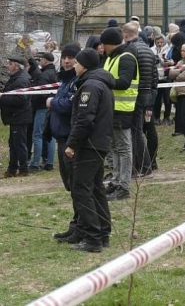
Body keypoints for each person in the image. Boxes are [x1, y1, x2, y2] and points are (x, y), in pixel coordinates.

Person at [61, 48, 114, 253]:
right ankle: (102, 232)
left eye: (76, 63)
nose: (74, 66)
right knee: (96, 188)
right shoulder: (99, 83)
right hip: (98, 143)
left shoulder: (90, 86)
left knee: (81, 189)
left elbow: (85, 119)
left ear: (84, 65)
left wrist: (72, 144)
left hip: (89, 145)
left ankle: (93, 238)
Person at [47, 43, 81, 239]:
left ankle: (80, 225)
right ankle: (76, 223)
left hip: (71, 139)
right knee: (70, 184)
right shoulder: (65, 80)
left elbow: (69, 105)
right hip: (61, 138)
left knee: (77, 185)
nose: (67, 61)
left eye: (71, 57)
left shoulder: (77, 81)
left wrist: (52, 102)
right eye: (65, 57)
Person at [101, 27, 138, 201]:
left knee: (124, 148)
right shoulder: (111, 57)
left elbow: (123, 82)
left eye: (104, 44)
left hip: (123, 109)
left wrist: (102, 80)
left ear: (110, 43)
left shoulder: (127, 57)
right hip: (112, 108)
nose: (102, 47)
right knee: (115, 147)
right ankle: (116, 181)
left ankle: (124, 186)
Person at [123, 21, 156, 177]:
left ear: (126, 35)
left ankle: (143, 166)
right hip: (147, 94)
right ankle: (142, 166)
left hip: (135, 95)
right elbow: (154, 76)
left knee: (136, 132)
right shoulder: (148, 50)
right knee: (140, 131)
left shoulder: (131, 49)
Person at [0, 56, 32, 178]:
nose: (7, 65)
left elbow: (20, 99)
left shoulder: (21, 80)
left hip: (19, 117)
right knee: (13, 144)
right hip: (15, 117)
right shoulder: (16, 78)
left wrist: (2, 97)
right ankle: (12, 169)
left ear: (17, 66)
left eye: (10, 63)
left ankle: (23, 169)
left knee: (19, 144)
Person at [29, 52, 57, 172]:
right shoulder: (55, 73)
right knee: (50, 135)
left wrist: (34, 101)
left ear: (45, 61)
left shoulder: (43, 75)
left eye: (41, 60)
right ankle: (49, 161)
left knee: (37, 135)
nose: (40, 62)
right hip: (53, 106)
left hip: (42, 107)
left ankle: (35, 163)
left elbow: (39, 92)